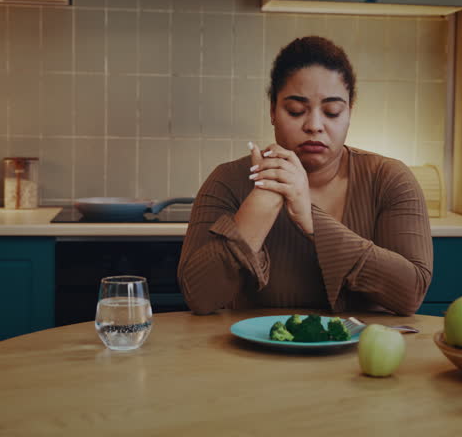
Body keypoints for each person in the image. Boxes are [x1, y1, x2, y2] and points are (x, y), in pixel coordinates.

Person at [177, 36, 432, 316]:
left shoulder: (390, 180)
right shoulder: (227, 180)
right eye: (296, 110)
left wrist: (311, 219)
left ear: (350, 112)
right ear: (272, 110)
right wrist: (261, 203)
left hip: (362, 358)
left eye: (332, 112)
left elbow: (411, 293)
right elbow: (199, 297)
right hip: (254, 358)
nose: (314, 126)